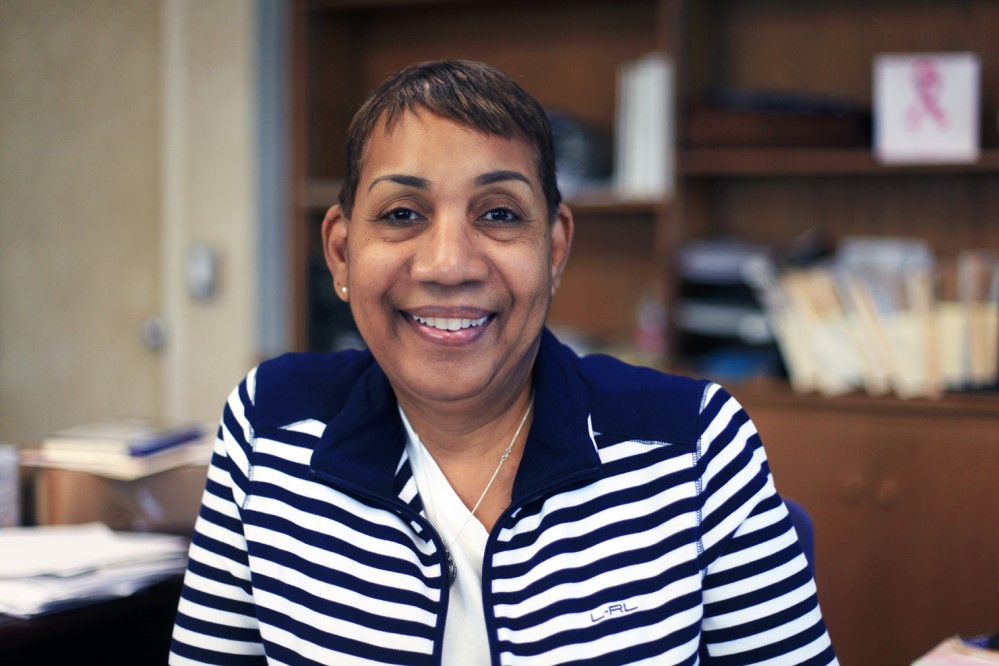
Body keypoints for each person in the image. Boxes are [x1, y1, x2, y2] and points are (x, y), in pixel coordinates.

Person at [170, 60, 837, 665]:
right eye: (402, 213)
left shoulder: (692, 444)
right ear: (342, 253)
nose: (448, 265)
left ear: (554, 249)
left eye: (498, 214)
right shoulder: (270, 428)